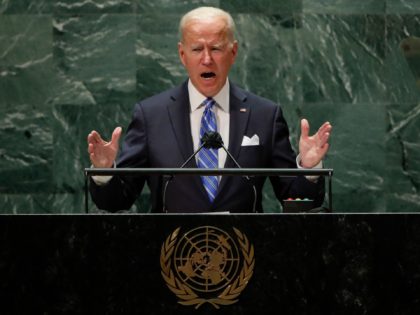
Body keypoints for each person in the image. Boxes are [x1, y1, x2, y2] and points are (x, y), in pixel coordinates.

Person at [87, 6, 332, 213]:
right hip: (172, 256)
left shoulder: (264, 115)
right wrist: (104, 172)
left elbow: (296, 201)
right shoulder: (152, 116)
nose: (207, 59)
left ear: (233, 52)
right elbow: (118, 201)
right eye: (196, 49)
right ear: (182, 55)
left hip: (244, 256)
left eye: (215, 48)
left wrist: (309, 170)